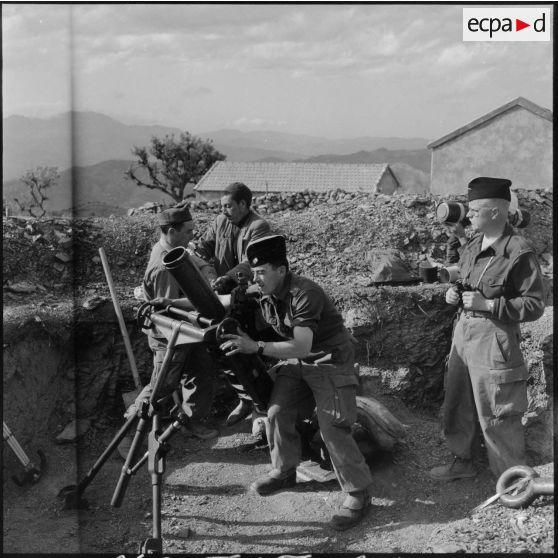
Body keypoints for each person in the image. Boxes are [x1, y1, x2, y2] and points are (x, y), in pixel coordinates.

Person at [219, 235, 373, 531]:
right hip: (299, 362)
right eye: (254, 273)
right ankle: (285, 470)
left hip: (329, 360)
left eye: (262, 272)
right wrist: (171, 301)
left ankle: (358, 493)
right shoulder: (264, 288)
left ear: (281, 269)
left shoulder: (305, 293)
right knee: (276, 413)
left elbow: (302, 346)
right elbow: (222, 301)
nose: (257, 279)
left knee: (333, 427)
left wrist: (257, 346)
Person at [429, 177, 545, 482]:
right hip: (464, 332)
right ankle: (463, 462)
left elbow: (534, 305)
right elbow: (466, 281)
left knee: (498, 409)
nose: (467, 215)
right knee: (458, 400)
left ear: (495, 212)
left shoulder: (518, 251)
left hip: (495, 337)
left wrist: (490, 305)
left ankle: (512, 480)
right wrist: (453, 294)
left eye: (474, 209)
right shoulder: (473, 244)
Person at [119, 203, 219, 459]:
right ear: (171, 231)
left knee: (200, 371)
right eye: (187, 232)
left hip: (188, 331)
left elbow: (196, 261)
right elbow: (167, 314)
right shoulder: (164, 268)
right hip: (170, 337)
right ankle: (129, 433)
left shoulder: (172, 248)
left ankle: (190, 420)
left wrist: (206, 272)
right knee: (161, 387)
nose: (192, 237)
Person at [195, 182, 272, 426]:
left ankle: (261, 408)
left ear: (243, 204)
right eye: (223, 206)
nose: (224, 210)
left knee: (250, 352)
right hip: (223, 298)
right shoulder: (220, 221)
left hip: (249, 300)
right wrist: (197, 257)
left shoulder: (259, 227)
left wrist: (227, 278)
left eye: (229, 206)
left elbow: (252, 262)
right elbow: (204, 246)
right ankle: (244, 399)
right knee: (224, 351)